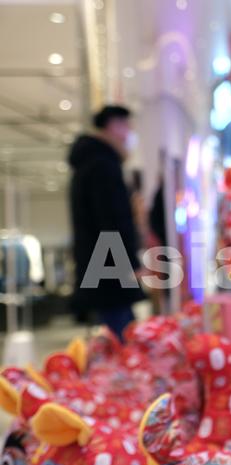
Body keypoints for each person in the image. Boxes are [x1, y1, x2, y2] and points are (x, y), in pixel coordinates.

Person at [68, 105, 145, 338]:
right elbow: (113, 220)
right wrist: (129, 265)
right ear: (113, 125)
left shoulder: (89, 163)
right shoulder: (103, 166)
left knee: (115, 332)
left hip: (101, 268)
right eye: (126, 127)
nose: (129, 134)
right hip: (110, 273)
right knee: (122, 337)